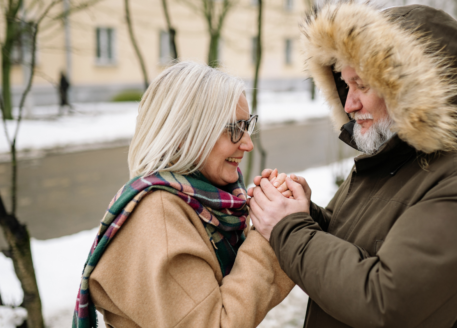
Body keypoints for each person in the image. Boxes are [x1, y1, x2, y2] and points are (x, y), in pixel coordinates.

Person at [248, 3, 457, 328]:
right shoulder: (393, 152)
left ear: (411, 87)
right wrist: (304, 214)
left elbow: (388, 304)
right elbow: (354, 245)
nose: (349, 105)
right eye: (345, 85)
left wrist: (289, 228)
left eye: (362, 85)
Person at [73, 61, 294, 328]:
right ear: (185, 135)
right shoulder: (160, 214)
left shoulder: (203, 204)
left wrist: (279, 214)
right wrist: (270, 232)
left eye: (247, 125)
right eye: (234, 128)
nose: (247, 143)